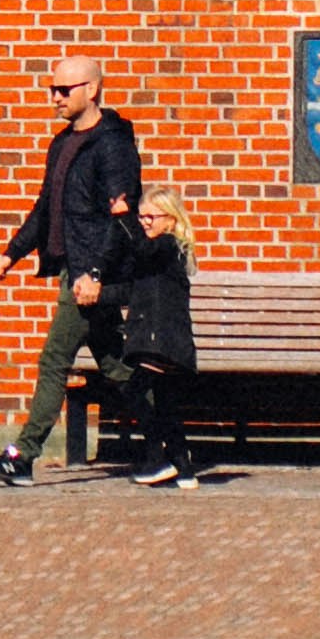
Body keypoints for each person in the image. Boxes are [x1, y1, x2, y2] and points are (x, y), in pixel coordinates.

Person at [0, 46, 144, 484]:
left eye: (65, 89)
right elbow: (46, 208)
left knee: (53, 361)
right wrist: (10, 254)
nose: (56, 97)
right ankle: (171, 443)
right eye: (53, 89)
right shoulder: (62, 144)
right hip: (75, 271)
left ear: (93, 89)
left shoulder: (114, 145)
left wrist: (97, 275)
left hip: (90, 275)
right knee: (115, 366)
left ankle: (22, 456)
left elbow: (121, 220)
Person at [101, 189, 200, 487]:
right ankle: (184, 468)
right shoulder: (155, 253)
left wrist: (124, 217)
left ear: (170, 220)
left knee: (133, 392)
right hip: (160, 339)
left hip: (164, 340)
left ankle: (159, 459)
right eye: (141, 215)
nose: (144, 222)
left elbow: (142, 249)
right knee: (166, 406)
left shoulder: (168, 246)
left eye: (149, 217)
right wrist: (98, 296)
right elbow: (133, 288)